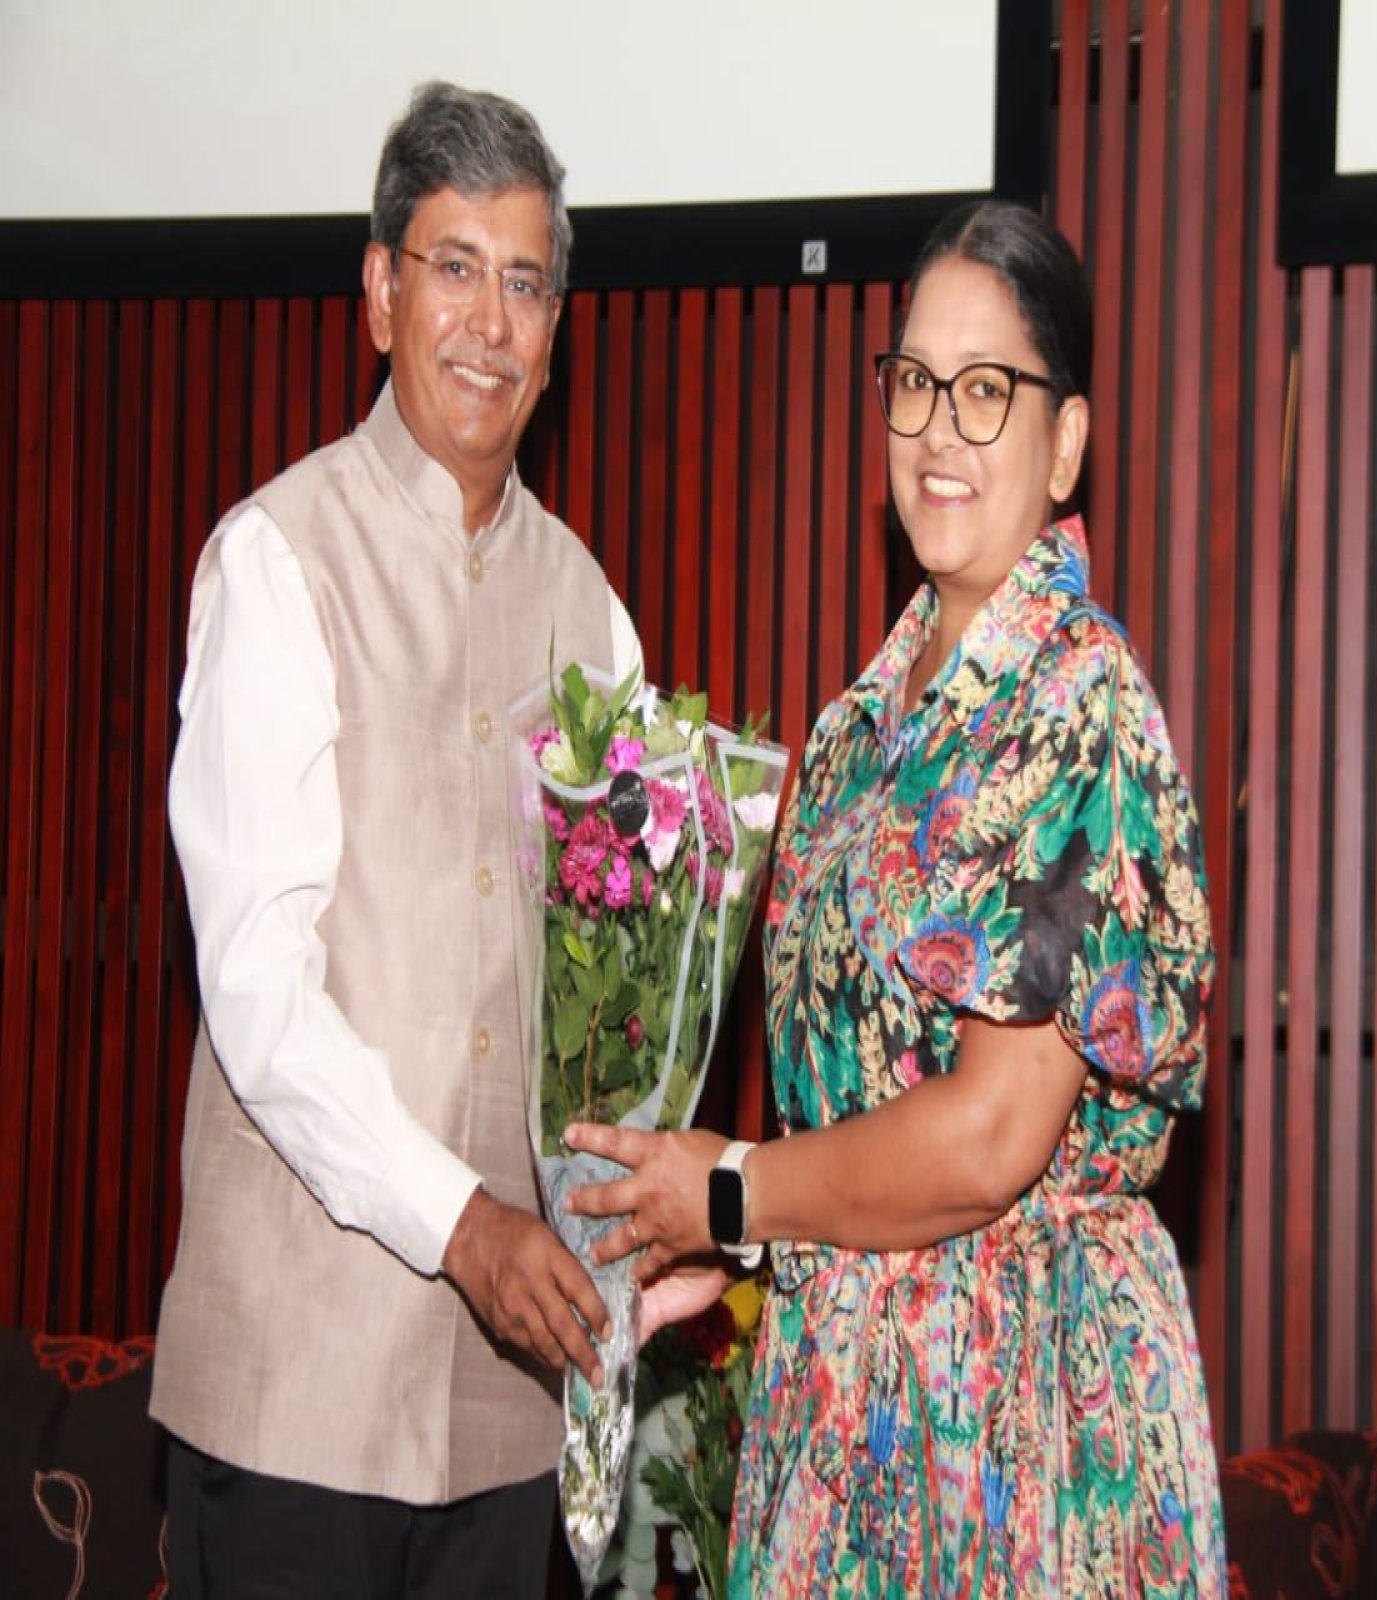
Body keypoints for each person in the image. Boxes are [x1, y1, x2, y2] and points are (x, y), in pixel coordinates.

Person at [566, 200, 1225, 1596]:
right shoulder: (860, 728)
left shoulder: (1077, 701)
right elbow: (851, 1118)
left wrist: (736, 1195)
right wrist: (724, 1247)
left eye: (988, 392)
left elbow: (992, 1136)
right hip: (841, 1394)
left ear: (1067, 444)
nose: (939, 427)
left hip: (1017, 1419)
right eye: (915, 382)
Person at [152, 81, 640, 1597]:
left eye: (526, 280)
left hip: (510, 1423)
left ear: (557, 326)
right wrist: (467, 1226)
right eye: (452, 267)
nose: (489, 322)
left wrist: (639, 1210)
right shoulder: (277, 563)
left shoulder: (596, 619)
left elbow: (614, 1000)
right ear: (378, 292)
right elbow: (258, 993)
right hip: (299, 1400)